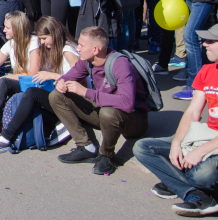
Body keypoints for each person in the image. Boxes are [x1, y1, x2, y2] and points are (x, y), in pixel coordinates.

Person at [134, 23, 218, 217]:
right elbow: (193, 112)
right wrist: (177, 142)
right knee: (142, 148)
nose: (205, 45)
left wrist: (200, 151)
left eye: (211, 41)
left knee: (201, 174)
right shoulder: (207, 71)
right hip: (206, 135)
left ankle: (176, 181)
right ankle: (197, 195)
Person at [50, 26, 149, 176]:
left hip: (133, 120)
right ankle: (85, 146)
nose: (77, 49)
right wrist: (61, 82)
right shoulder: (86, 61)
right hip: (104, 112)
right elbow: (68, 76)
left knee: (107, 112)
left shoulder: (120, 64)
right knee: (56, 96)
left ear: (95, 49)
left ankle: (106, 156)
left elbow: (127, 103)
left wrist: (85, 92)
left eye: (82, 45)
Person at [0, 16, 80, 155]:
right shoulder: (55, 50)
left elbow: (81, 80)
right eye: (41, 39)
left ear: (54, 34)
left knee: (32, 93)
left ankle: (6, 137)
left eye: (44, 39)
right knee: (25, 90)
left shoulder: (68, 50)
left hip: (73, 100)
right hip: (59, 95)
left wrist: (54, 76)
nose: (43, 43)